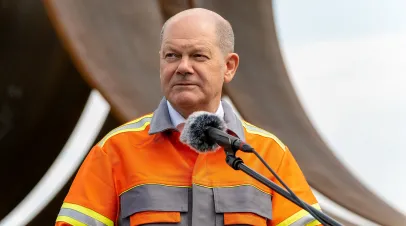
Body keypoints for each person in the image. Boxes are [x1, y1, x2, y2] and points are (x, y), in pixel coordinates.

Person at [55, 8, 322, 226]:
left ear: (228, 67)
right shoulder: (114, 151)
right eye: (172, 56)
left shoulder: (268, 154)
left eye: (198, 56)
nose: (183, 67)